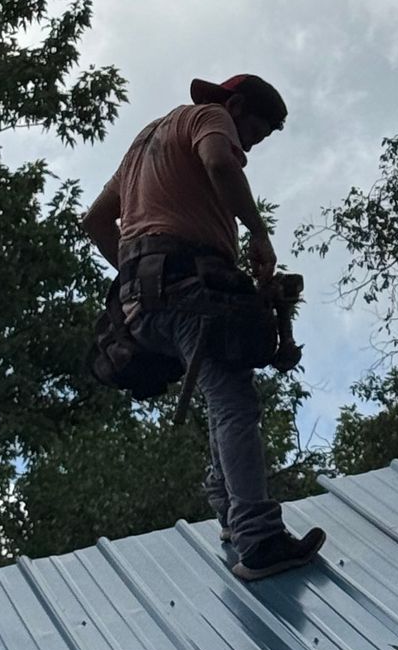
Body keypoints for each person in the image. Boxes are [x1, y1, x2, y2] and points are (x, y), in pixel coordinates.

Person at [82, 73, 325, 583]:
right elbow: (218, 161)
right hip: (190, 288)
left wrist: (135, 272)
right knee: (234, 401)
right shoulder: (209, 118)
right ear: (236, 106)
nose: (248, 150)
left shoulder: (146, 141)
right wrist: (257, 234)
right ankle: (259, 540)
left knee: (220, 396)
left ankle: (233, 522)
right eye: (253, 135)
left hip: (138, 308)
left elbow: (97, 221)